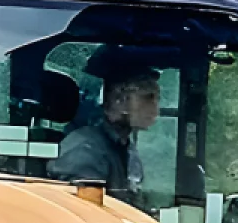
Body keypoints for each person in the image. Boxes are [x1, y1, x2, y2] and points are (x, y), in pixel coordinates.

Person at [49, 61, 160, 206]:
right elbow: (83, 212)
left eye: (157, 99)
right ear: (119, 100)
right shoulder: (85, 151)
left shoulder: (124, 147)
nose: (156, 109)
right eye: (148, 98)